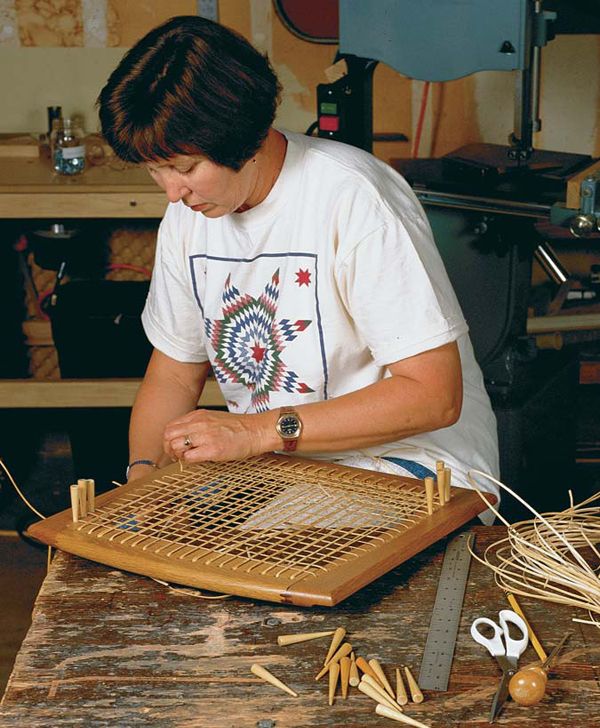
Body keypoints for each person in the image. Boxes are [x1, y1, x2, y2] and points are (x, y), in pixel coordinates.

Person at [98, 15, 499, 510]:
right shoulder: (188, 216)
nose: (173, 192)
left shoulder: (354, 197)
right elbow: (175, 375)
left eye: (183, 168)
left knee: (245, 573)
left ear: (241, 137)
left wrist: (254, 431)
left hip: (416, 466)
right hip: (282, 469)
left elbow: (434, 396)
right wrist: (143, 479)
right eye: (156, 171)